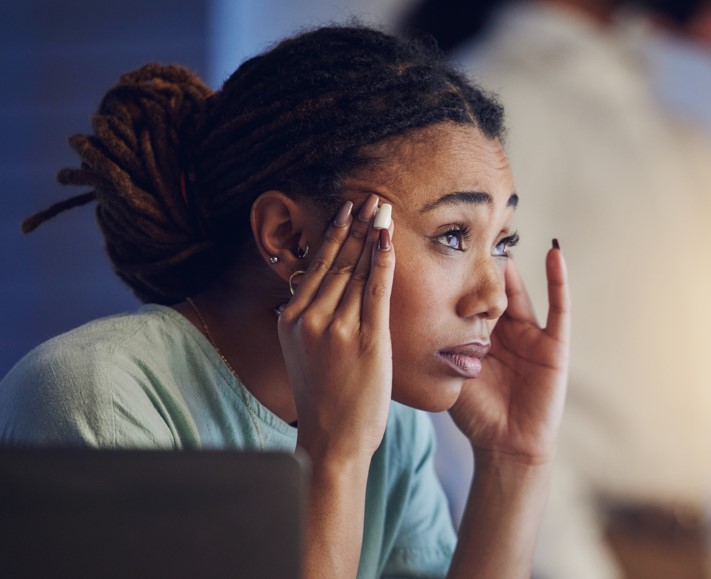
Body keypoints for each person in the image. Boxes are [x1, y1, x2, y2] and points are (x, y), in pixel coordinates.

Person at [0, 24, 571, 579]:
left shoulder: (392, 430)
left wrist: (513, 463)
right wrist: (335, 459)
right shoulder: (92, 400)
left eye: (502, 243)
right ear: (288, 236)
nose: (493, 297)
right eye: (452, 235)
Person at [399, 0, 711, 577]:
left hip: (691, 546)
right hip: (586, 548)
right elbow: (463, 361)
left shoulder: (667, 135)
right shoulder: (498, 101)